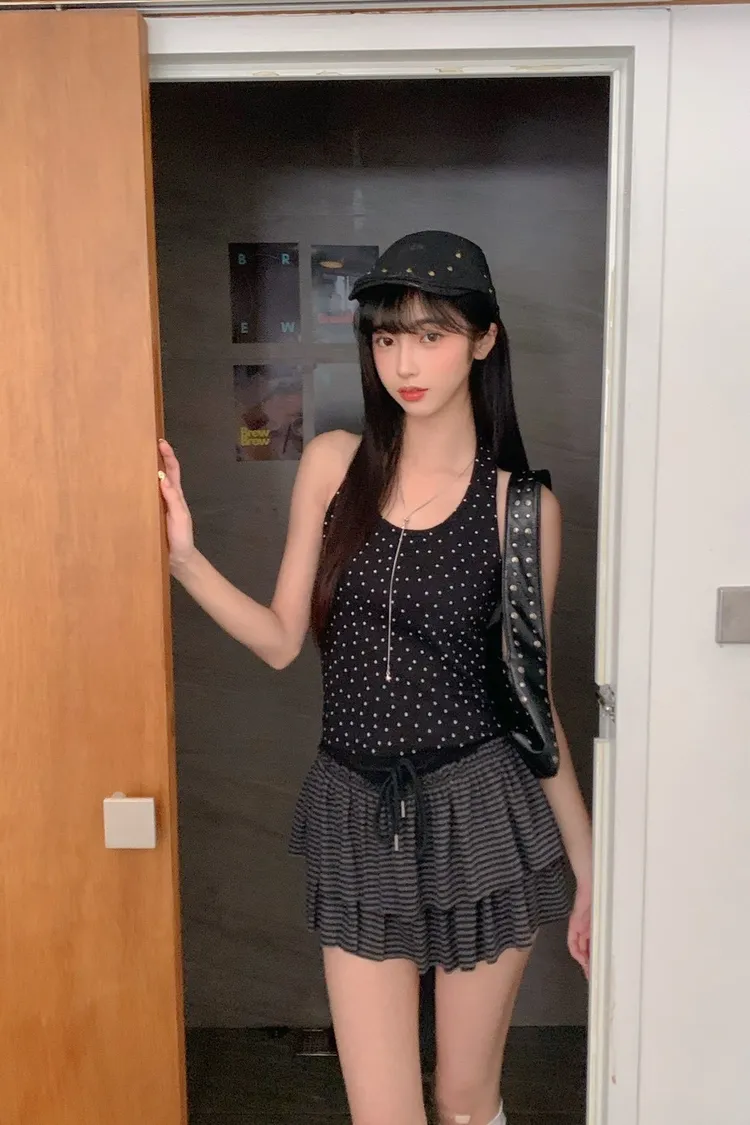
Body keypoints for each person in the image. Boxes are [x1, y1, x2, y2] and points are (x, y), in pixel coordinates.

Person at [158, 231, 592, 1125]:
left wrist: (593, 873)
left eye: (431, 335)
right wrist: (185, 559)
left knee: (463, 1099)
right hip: (357, 811)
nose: (405, 362)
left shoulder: (522, 509)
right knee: (383, 1113)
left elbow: (533, 701)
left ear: (484, 339)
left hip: (481, 811)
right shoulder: (334, 465)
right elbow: (282, 639)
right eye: (388, 337)